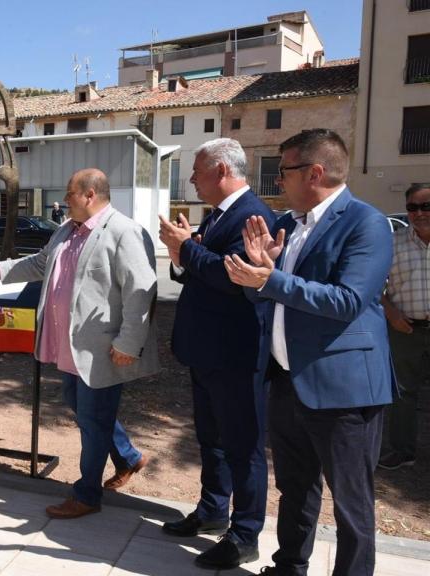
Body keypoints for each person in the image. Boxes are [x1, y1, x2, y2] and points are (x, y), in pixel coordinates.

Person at [224, 129, 394, 576]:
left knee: (351, 503)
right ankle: (289, 567)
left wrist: (270, 278)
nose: (278, 180)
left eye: (284, 171)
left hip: (343, 389)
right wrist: (258, 274)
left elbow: (347, 302)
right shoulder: (288, 224)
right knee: (296, 488)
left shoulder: (366, 223)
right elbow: (269, 296)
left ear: (314, 172)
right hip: (287, 380)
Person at [0, 168, 157, 518]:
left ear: (90, 195)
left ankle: (87, 495)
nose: (64, 200)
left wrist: (129, 343)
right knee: (79, 404)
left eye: (70, 193)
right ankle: (128, 457)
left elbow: (140, 291)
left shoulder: (124, 231)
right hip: (71, 345)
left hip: (103, 349)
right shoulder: (66, 230)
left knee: (93, 419)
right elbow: (38, 264)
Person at [157, 139, 274, 569]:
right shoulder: (220, 215)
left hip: (235, 355)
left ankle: (244, 535)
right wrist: (181, 253)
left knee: (243, 447)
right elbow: (199, 274)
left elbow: (231, 277)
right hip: (207, 352)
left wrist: (187, 248)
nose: (191, 179)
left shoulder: (253, 216)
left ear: (222, 170)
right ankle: (212, 510)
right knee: (212, 440)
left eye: (197, 170)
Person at [378, 182, 430, 470]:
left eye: (426, 206)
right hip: (405, 329)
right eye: (412, 207)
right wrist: (391, 313)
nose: (419, 213)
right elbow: (375, 285)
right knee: (402, 393)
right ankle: (402, 451)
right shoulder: (392, 243)